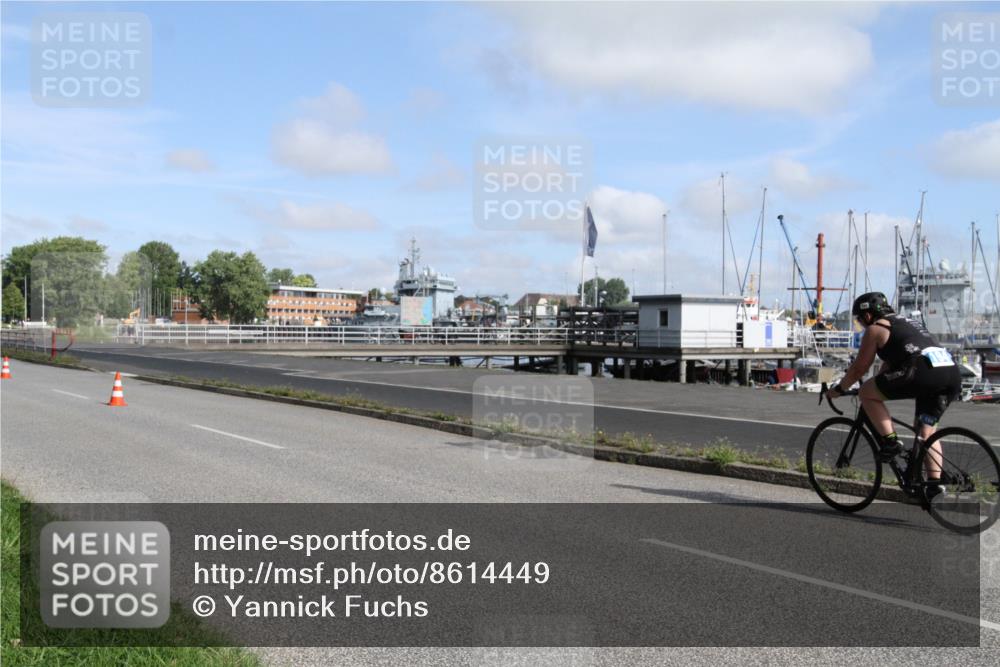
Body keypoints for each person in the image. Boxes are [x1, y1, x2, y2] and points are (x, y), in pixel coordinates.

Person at [828, 292, 961, 496]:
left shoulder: (876, 328)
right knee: (926, 432)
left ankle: (890, 441)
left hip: (922, 372)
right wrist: (876, 385)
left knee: (866, 393)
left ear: (868, 315)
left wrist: (839, 389)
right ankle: (934, 485)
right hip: (950, 373)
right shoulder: (907, 323)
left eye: (860, 319)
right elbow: (889, 367)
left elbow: (859, 369)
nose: (862, 324)